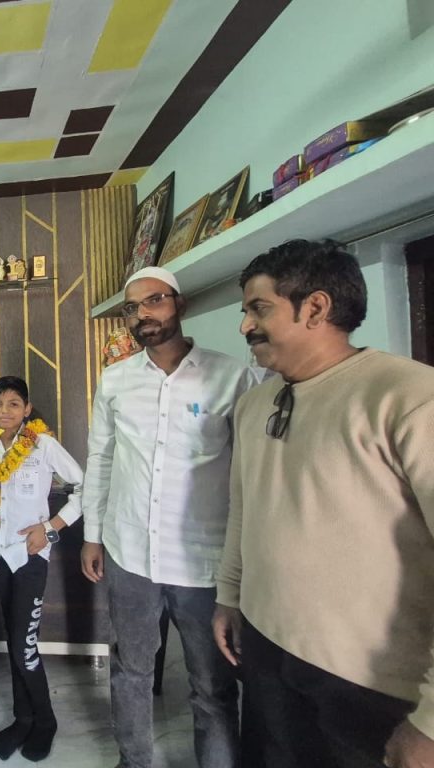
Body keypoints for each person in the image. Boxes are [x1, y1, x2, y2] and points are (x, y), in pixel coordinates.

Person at [212, 239, 434, 768]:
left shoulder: (408, 398)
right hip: (265, 650)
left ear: (315, 307)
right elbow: (244, 508)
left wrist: (430, 723)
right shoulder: (254, 404)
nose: (244, 326)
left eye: (258, 308)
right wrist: (230, 595)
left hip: (365, 682)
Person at [82, 266, 254, 768]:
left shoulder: (231, 376)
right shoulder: (115, 380)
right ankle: (133, 760)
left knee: (212, 686)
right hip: (129, 552)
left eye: (154, 300)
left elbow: (248, 470)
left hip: (204, 561)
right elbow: (101, 458)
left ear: (180, 303)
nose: (143, 314)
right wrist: (93, 535)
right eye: (132, 308)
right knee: (130, 670)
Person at [0, 376, 84, 762]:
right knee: (14, 641)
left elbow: (85, 487)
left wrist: (51, 528)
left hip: (29, 556)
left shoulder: (42, 444)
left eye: (13, 404)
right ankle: (23, 718)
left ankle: (45, 720)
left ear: (27, 409)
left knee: (24, 646)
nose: (5, 411)